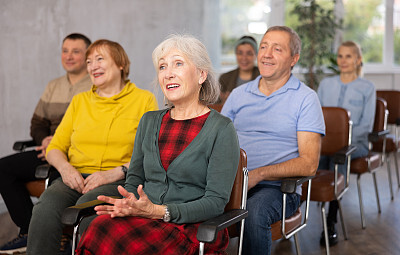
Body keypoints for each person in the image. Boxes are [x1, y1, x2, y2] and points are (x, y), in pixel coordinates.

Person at [75, 34, 240, 255]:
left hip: (191, 227)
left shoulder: (221, 128)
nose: (168, 73)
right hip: (144, 216)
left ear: (201, 74)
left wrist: (161, 211)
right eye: (162, 67)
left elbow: (215, 202)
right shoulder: (149, 121)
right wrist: (130, 203)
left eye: (178, 64)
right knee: (97, 227)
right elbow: (134, 178)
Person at [26, 39, 158, 255]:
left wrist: (114, 173)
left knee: (89, 210)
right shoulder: (80, 101)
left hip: (118, 178)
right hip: (75, 176)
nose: (93, 66)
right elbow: (55, 147)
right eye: (89, 62)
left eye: (100, 59)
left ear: (120, 64)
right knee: (44, 210)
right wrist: (66, 170)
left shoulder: (143, 100)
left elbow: (149, 151)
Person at [221, 26, 325, 255]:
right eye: (264, 47)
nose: (266, 54)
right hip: (231, 182)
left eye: (277, 49)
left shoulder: (306, 99)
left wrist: (258, 175)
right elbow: (215, 141)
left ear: (293, 59)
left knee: (255, 211)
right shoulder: (238, 95)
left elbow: (309, 163)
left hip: (277, 188)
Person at [0, 33, 92, 254]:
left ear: (88, 56)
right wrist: (45, 140)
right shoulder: (54, 85)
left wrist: (61, 141)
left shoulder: (96, 83)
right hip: (49, 150)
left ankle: (55, 235)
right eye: (65, 51)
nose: (68, 56)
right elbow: (38, 122)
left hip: (77, 152)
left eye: (76, 51)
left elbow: (93, 128)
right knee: (3, 168)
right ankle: (29, 231)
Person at [317, 40, 376, 246]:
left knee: (338, 157)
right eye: (340, 56)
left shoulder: (367, 88)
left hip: (355, 143)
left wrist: (340, 141)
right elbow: (317, 118)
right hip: (324, 142)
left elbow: (366, 125)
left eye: (348, 56)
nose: (343, 60)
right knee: (313, 158)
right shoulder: (326, 84)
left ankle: (330, 221)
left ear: (358, 60)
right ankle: (292, 214)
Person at [219, 35, 260, 104]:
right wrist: (224, 102)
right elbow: (216, 108)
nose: (244, 58)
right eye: (240, 53)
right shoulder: (224, 79)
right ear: (236, 54)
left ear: (256, 55)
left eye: (249, 53)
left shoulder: (264, 77)